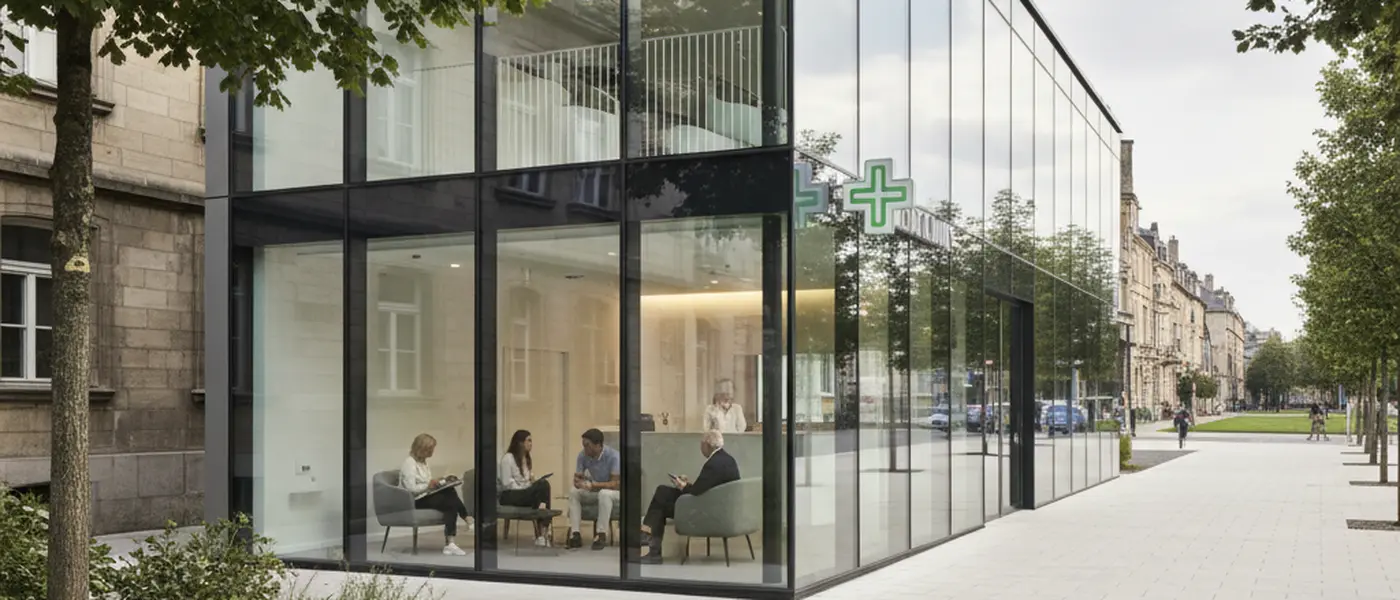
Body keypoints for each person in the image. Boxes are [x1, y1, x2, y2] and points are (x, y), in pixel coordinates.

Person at [639, 430, 740, 565]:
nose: (700, 447)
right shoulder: (727, 459)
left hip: (706, 511)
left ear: (708, 445)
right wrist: (686, 485)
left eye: (701, 444)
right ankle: (648, 537)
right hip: (716, 506)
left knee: (661, 500)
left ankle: (649, 541)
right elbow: (704, 488)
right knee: (662, 494)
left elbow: (696, 492)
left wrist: (682, 486)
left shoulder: (713, 464)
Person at [399, 433, 472, 556]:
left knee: (449, 493)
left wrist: (438, 482)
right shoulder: (409, 463)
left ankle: (451, 542)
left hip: (425, 495)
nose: (432, 451)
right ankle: (466, 520)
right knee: (449, 500)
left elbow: (426, 482)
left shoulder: (423, 462)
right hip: (415, 500)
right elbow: (411, 489)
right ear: (422, 449)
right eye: (430, 449)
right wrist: (428, 486)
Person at [567, 428, 620, 550]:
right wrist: (578, 482)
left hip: (616, 492)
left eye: (587, 446)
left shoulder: (613, 457)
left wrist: (593, 485)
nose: (585, 449)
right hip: (596, 489)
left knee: (605, 494)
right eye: (584, 445)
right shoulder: (582, 456)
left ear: (598, 445)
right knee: (574, 492)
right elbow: (577, 477)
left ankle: (601, 534)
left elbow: (615, 484)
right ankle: (575, 534)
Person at [498, 430, 553, 547]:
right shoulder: (508, 458)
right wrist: (525, 488)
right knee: (542, 487)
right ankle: (543, 533)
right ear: (520, 443)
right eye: (528, 440)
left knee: (543, 486)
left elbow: (526, 479)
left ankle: (542, 533)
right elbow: (506, 483)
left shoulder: (525, 459)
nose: (531, 444)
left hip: (523, 492)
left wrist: (531, 483)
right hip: (510, 494)